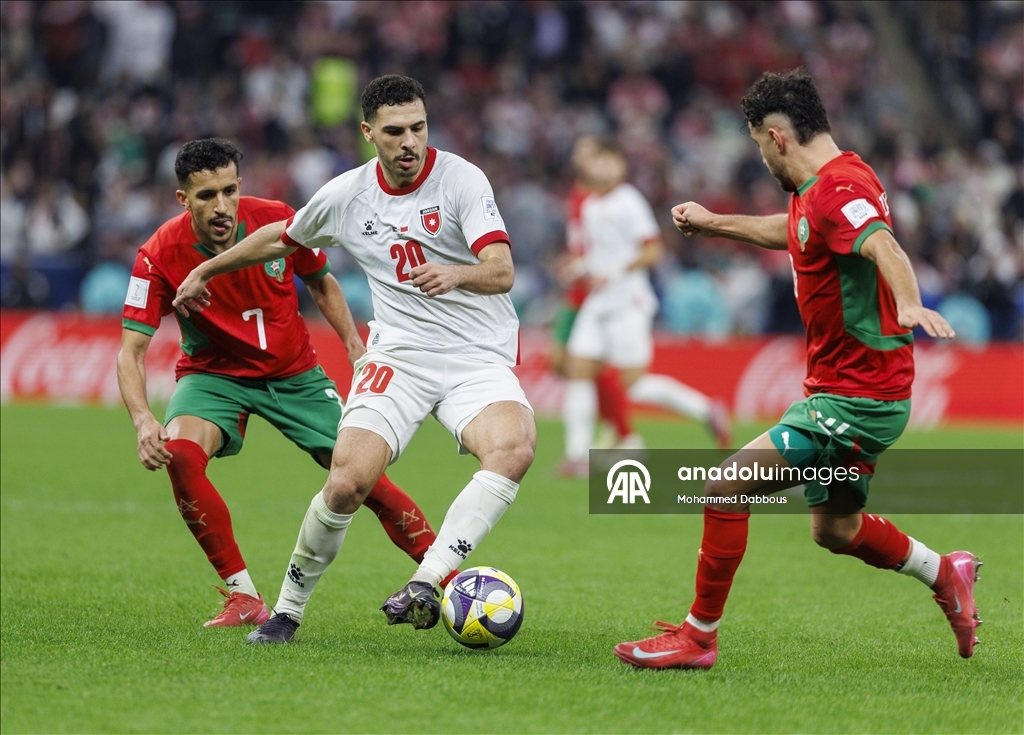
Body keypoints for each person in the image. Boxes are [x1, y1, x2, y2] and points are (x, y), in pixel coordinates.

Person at [614, 69, 977, 670]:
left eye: (760, 144)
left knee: (725, 485)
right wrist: (713, 222)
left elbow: (883, 245)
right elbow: (794, 232)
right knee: (836, 529)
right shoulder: (826, 187)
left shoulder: (839, 190)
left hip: (855, 398)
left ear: (777, 138)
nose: (762, 158)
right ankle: (945, 572)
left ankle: (697, 638)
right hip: (854, 391)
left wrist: (910, 302)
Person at [172, 76, 536, 645]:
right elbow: (282, 238)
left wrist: (456, 273)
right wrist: (206, 269)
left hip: (474, 356)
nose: (409, 141)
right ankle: (286, 613)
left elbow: (502, 270)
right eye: (394, 131)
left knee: (513, 449)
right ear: (369, 133)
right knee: (346, 483)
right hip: (399, 356)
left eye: (418, 127)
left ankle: (426, 582)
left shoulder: (462, 179)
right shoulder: (347, 195)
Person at [116, 138, 448, 629]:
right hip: (213, 375)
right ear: (183, 199)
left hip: (295, 374)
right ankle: (243, 596)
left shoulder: (278, 219)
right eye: (206, 196)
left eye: (229, 191)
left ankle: (451, 580)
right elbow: (130, 351)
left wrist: (355, 347)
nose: (222, 206)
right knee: (181, 456)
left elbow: (321, 282)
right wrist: (144, 420)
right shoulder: (158, 254)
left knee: (362, 480)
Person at [559, 137, 731, 478]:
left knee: (633, 384)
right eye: (599, 162)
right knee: (577, 368)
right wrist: (578, 268)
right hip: (599, 300)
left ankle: (706, 409)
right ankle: (577, 455)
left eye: (610, 162)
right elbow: (597, 254)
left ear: (621, 166)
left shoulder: (629, 201)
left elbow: (652, 251)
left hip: (628, 302)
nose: (603, 169)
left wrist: (614, 272)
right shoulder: (590, 205)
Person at [550, 135, 639, 459]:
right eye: (579, 153)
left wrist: (597, 269)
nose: (582, 158)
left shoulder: (608, 198)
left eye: (589, 153)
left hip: (599, 293)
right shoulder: (579, 193)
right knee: (565, 364)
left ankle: (613, 435)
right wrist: (572, 263)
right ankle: (615, 428)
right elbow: (581, 241)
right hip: (577, 288)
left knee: (585, 366)